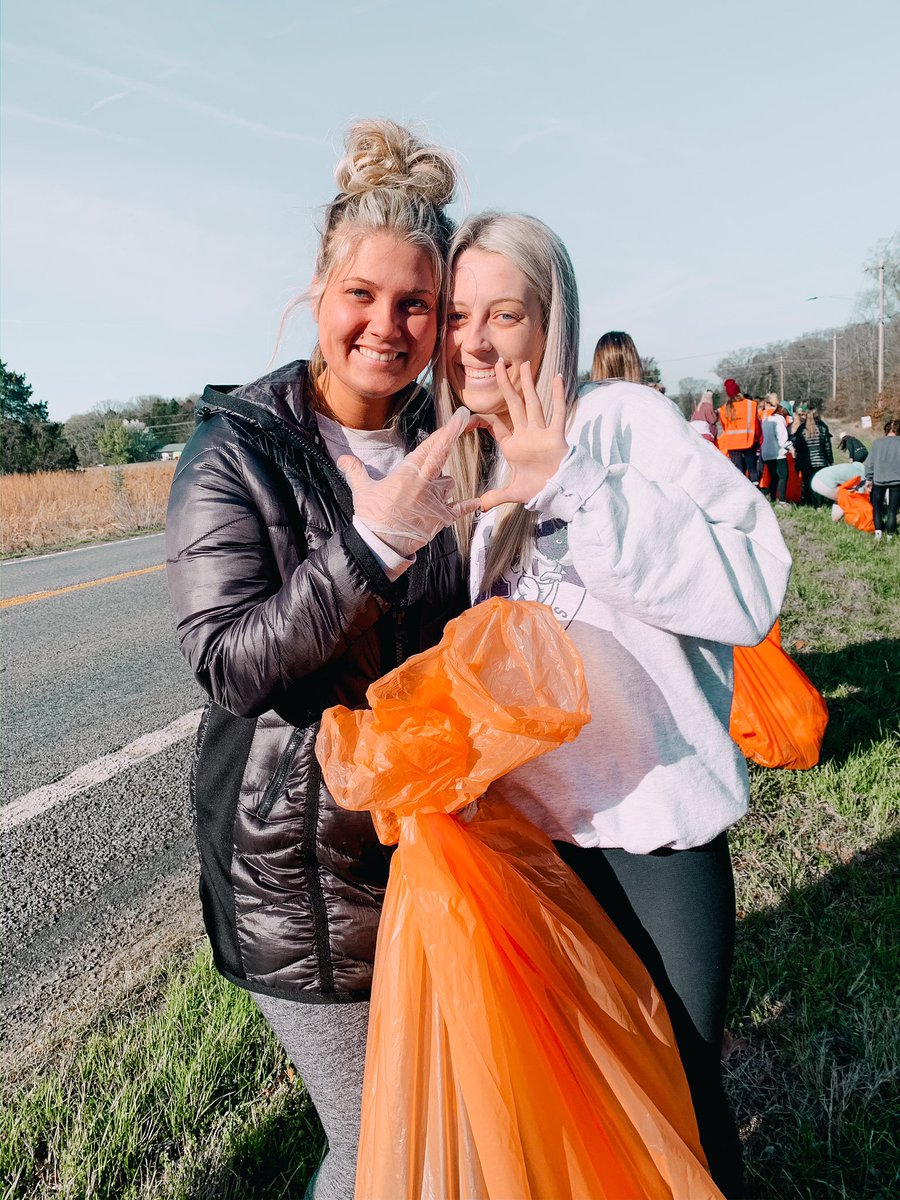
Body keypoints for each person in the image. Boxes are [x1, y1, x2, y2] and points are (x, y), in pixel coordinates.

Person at [436, 211, 791, 1199]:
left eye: (504, 312)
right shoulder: (474, 463)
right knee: (581, 1098)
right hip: (533, 846)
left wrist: (579, 486)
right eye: (459, 313)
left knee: (677, 1088)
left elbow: (749, 587)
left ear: (551, 319)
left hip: (653, 833)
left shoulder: (622, 426)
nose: (474, 338)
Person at [165, 119, 476, 1200]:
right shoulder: (237, 452)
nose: (385, 326)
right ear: (317, 291)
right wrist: (374, 541)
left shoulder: (454, 440)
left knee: (443, 1120)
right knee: (382, 1151)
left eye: (415, 304)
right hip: (304, 876)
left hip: (435, 854)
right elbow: (231, 665)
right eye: (362, 295)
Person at [718, 378, 760, 483]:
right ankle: (757, 493)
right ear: (739, 391)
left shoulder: (723, 409)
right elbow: (756, 425)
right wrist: (758, 440)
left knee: (738, 472)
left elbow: (725, 428)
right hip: (749, 442)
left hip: (732, 445)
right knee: (752, 469)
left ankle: (742, 494)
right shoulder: (751, 404)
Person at [865, 417, 900, 542]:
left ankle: (878, 533)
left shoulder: (877, 443)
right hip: (897, 480)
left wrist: (869, 478)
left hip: (879, 479)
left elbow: (870, 463)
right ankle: (890, 535)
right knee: (892, 508)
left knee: (877, 507)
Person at [791, 404, 833, 505]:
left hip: (806, 461)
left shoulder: (801, 429)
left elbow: (797, 446)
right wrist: (830, 460)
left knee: (807, 482)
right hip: (820, 461)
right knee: (818, 483)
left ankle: (809, 503)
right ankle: (819, 505)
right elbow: (827, 446)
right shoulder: (823, 428)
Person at [760, 394, 791, 502]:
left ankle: (772, 498)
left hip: (766, 454)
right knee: (783, 476)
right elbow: (782, 438)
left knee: (773, 477)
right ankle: (781, 500)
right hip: (778, 453)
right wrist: (790, 448)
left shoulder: (766, 419)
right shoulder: (779, 419)